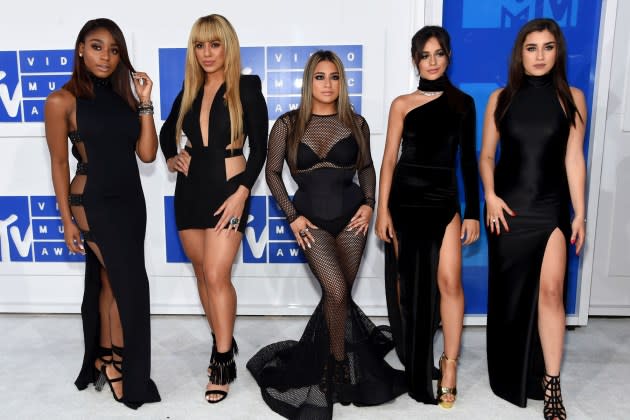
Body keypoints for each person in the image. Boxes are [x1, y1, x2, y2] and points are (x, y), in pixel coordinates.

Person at [247, 50, 406, 420]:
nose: (328, 84)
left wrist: (369, 203)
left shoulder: (356, 122)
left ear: (342, 82)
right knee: (335, 292)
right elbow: (272, 174)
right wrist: (292, 217)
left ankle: (338, 367)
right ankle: (337, 362)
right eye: (320, 77)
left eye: (334, 77)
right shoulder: (286, 125)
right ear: (309, 81)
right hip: (311, 223)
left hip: (352, 219)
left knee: (339, 297)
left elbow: (366, 167)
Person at [44, 18, 161, 409]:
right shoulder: (61, 101)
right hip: (93, 202)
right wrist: (65, 220)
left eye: (113, 50)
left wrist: (145, 100)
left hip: (131, 200)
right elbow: (60, 165)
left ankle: (108, 358)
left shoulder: (126, 96)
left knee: (112, 284)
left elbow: (146, 154)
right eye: (96, 47)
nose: (106, 56)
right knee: (132, 289)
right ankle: (122, 368)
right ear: (80, 49)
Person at [479, 18, 586, 420]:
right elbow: (487, 155)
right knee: (510, 296)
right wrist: (489, 196)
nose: (539, 55)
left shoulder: (572, 97)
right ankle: (512, 372)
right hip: (508, 210)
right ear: (519, 54)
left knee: (552, 293)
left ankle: (552, 383)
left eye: (547, 47)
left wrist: (581, 214)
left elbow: (573, 159)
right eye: (531, 48)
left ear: (557, 52)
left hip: (550, 207)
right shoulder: (500, 98)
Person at [159, 14, 268, 404]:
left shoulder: (247, 86)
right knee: (203, 274)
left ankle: (223, 359)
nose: (207, 53)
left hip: (229, 186)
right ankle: (221, 337)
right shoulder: (190, 89)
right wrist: (172, 156)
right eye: (199, 45)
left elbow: (262, 148)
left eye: (214, 44)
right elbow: (165, 129)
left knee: (218, 273)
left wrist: (243, 191)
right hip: (191, 189)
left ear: (228, 46)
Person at [375, 25, 480, 408]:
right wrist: (382, 209)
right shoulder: (402, 103)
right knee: (410, 287)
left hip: (443, 198)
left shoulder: (463, 103)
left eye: (438, 54)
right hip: (405, 200)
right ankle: (414, 359)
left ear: (448, 56)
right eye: (425, 55)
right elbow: (388, 160)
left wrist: (472, 212)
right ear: (415, 59)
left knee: (449, 282)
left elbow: (468, 160)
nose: (432, 61)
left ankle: (449, 363)